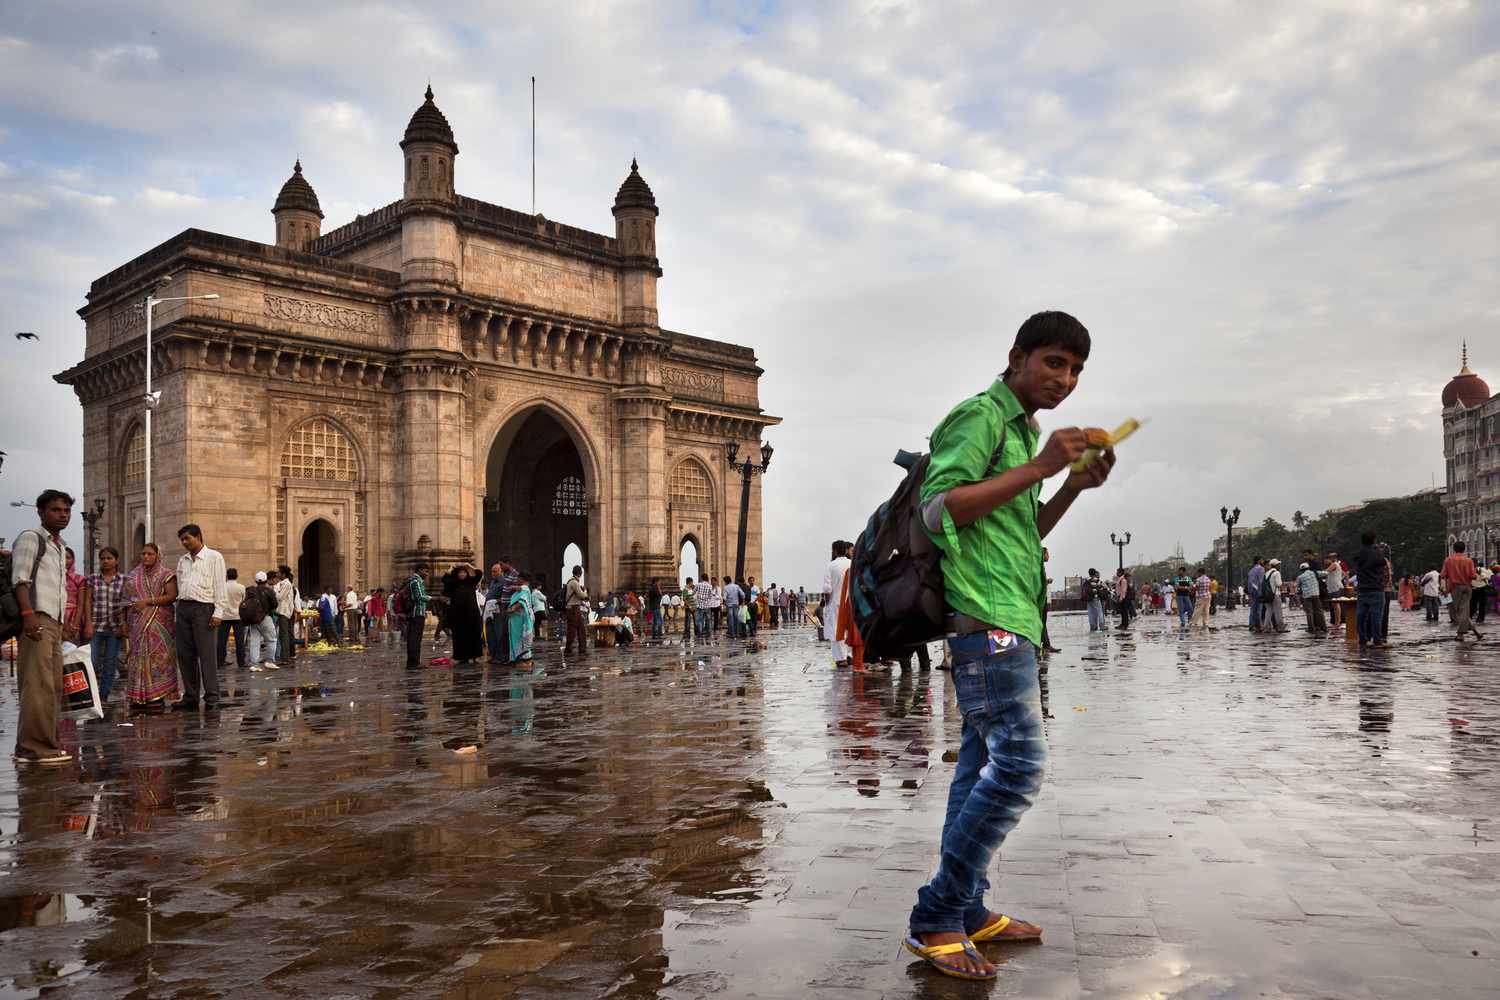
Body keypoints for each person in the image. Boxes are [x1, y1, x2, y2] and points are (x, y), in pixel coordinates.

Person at [903, 311, 1114, 981]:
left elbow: (1022, 532)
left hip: (1011, 618)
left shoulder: (1022, 434)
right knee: (1020, 765)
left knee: (977, 771)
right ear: (1017, 356)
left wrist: (1069, 487)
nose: (1065, 379)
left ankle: (967, 909)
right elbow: (938, 511)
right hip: (985, 623)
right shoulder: (980, 417)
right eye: (1054, 362)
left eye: (1076, 370)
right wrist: (1046, 465)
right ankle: (936, 914)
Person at [10, 490, 74, 764]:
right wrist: (28, 615)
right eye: (56, 510)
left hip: (53, 622)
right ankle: (33, 748)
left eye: (66, 510)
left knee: (52, 686)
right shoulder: (31, 538)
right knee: (37, 684)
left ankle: (45, 743)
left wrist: (63, 623)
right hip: (36, 618)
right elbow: (20, 580)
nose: (62, 515)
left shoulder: (59, 545)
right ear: (41, 512)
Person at [174, 523, 228, 711]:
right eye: (182, 539)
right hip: (183, 608)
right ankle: (190, 696)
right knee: (185, 655)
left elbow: (220, 585)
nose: (184, 542)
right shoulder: (183, 561)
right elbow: (181, 585)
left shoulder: (214, 557)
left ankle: (212, 697)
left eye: (187, 538)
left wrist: (218, 612)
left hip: (204, 609)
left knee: (207, 656)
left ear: (199, 536)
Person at [123, 542, 180, 711]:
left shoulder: (166, 575)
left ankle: (157, 695)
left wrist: (148, 601)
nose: (146, 557)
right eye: (143, 554)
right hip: (137, 624)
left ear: (157, 556)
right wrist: (124, 622)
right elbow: (126, 602)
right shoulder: (133, 576)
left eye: (150, 554)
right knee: (138, 658)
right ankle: (138, 695)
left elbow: (172, 596)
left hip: (160, 625)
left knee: (157, 659)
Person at [86, 546, 127, 703]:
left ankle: (103, 696)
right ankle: (92, 695)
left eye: (109, 558)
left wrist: (124, 625)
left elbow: (126, 604)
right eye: (102, 558)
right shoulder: (93, 579)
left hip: (114, 629)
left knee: (110, 662)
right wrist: (88, 624)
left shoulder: (124, 580)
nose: (106, 561)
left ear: (116, 560)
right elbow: (88, 602)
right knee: (92, 661)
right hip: (96, 626)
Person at [1349, 531, 1386, 648]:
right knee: (1376, 616)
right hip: (1376, 589)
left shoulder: (1359, 554)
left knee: (1360, 615)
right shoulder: (1378, 554)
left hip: (1363, 589)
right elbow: (1382, 563)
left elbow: (1354, 559)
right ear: (1374, 540)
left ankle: (1362, 638)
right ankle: (1377, 639)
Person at [1440, 540, 1481, 642]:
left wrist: (1444, 589)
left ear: (1454, 549)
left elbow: (1443, 575)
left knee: (1459, 612)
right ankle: (1476, 632)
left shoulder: (1448, 560)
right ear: (1464, 549)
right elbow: (1473, 576)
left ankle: (1460, 634)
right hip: (1467, 587)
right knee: (1464, 611)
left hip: (1455, 588)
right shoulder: (1469, 560)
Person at [444, 564, 484, 664]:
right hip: (458, 615)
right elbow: (445, 579)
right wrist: (450, 569)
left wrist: (469, 566)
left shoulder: (471, 582)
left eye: (464, 572)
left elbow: (479, 573)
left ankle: (475, 656)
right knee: (460, 636)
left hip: (472, 614)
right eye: (460, 572)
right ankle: (462, 657)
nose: (462, 574)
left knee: (473, 634)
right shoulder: (453, 584)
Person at [823, 541, 852, 666]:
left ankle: (841, 658)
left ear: (834, 551)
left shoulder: (830, 566)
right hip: (851, 602)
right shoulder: (852, 563)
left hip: (835, 602)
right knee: (849, 629)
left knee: (836, 629)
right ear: (846, 550)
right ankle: (850, 655)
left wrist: (827, 603)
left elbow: (827, 589)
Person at [244, 571, 279, 669]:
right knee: (272, 639)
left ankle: (254, 664)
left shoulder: (250, 591)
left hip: (253, 619)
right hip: (265, 618)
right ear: (265, 580)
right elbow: (275, 604)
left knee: (255, 641)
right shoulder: (269, 591)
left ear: (256, 581)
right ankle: (270, 661)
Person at [217, 568, 247, 672]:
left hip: (224, 616)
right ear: (236, 575)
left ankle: (220, 661)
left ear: (227, 576)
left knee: (221, 640)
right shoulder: (241, 587)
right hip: (237, 616)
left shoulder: (222, 587)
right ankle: (241, 662)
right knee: (239, 641)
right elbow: (243, 600)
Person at [403, 564, 432, 668]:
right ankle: (413, 663)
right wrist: (436, 598)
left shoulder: (413, 580)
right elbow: (419, 597)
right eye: (426, 571)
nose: (427, 574)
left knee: (413, 638)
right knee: (415, 639)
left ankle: (413, 662)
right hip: (416, 613)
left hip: (416, 613)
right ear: (419, 570)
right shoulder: (416, 581)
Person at [507, 571, 534, 663]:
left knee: (521, 637)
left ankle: (524, 658)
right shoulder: (523, 589)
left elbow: (521, 601)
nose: (516, 580)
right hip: (517, 619)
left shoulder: (525, 589)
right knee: (517, 637)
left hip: (521, 619)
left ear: (522, 579)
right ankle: (518, 657)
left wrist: (513, 608)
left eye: (518, 578)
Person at [563, 564, 590, 659]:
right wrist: (586, 593)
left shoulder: (571, 581)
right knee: (572, 630)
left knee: (581, 629)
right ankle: (568, 649)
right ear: (580, 573)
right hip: (573, 609)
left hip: (575, 608)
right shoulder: (574, 582)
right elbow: (581, 595)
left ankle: (582, 649)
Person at [274, 565, 297, 665]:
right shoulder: (282, 584)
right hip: (282, 611)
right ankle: (285, 657)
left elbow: (280, 597)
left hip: (284, 612)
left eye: (279, 572)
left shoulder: (287, 584)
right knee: (283, 635)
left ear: (283, 574)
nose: (277, 574)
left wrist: (274, 590)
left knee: (284, 635)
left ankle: (285, 658)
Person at [1296, 562, 1327, 634]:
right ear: (1309, 568)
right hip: (1316, 594)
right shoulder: (1315, 573)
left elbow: (1298, 587)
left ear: (1301, 570)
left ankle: (1311, 628)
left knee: (1309, 612)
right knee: (1319, 611)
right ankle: (1324, 627)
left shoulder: (1300, 577)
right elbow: (1326, 573)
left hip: (1306, 596)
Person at [1263, 559, 1287, 632]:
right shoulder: (1276, 573)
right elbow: (1278, 584)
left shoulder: (1266, 573)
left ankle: (1266, 628)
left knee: (1268, 611)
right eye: (1278, 564)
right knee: (1278, 611)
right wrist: (1282, 586)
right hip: (1275, 594)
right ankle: (1280, 627)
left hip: (1267, 595)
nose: (1279, 565)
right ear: (1275, 565)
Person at [1324, 554, 1347, 631]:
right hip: (1334, 587)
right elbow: (1344, 573)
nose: (1325, 561)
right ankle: (1337, 622)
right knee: (1335, 605)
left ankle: (1338, 623)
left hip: (1335, 587)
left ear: (1331, 559)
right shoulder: (1337, 565)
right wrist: (1339, 579)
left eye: (1327, 559)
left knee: (1336, 605)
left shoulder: (1334, 564)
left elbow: (1325, 572)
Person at [1246, 557, 1266, 632]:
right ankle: (1258, 625)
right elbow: (1261, 581)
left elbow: (1249, 582)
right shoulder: (1261, 569)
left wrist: (1250, 592)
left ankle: (1251, 625)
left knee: (1253, 608)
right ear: (1259, 561)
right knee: (1259, 609)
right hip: (1258, 590)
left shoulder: (1251, 570)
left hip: (1252, 591)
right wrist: (1262, 592)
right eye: (1262, 559)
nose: (1263, 561)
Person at [692, 575, 715, 639]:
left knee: (699, 620)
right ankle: (709, 633)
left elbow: (693, 593)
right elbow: (711, 596)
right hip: (707, 606)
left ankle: (700, 633)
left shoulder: (698, 585)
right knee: (708, 620)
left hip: (699, 605)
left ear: (702, 578)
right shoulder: (710, 586)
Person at [682, 577, 697, 642]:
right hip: (689, 607)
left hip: (694, 607)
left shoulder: (693, 589)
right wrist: (690, 606)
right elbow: (684, 599)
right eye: (692, 582)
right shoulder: (685, 589)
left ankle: (696, 631)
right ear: (690, 582)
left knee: (695, 620)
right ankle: (687, 633)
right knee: (687, 620)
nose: (692, 583)